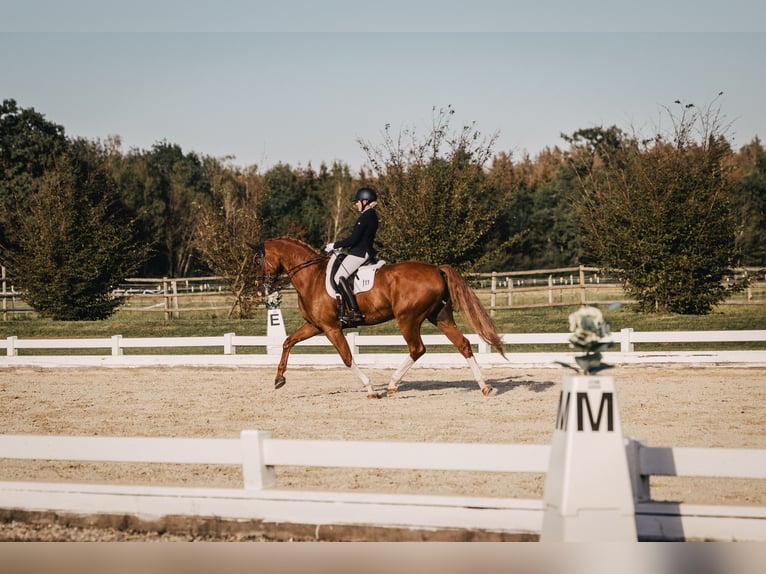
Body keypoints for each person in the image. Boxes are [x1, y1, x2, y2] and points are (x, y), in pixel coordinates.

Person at [325, 186, 379, 326]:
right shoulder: (370, 215)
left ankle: (354, 311)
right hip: (361, 250)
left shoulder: (366, 216)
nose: (356, 204)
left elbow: (354, 239)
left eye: (357, 201)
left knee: (338, 277)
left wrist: (335, 245)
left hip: (359, 253)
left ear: (365, 201)